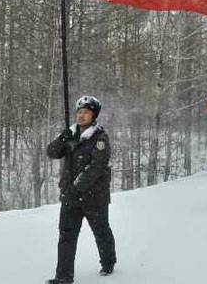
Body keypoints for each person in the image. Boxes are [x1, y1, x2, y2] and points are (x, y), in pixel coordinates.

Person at [46, 96, 117, 284]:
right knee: (66, 235)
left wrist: (76, 187)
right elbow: (52, 152)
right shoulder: (71, 135)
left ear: (93, 115)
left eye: (85, 112)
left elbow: (96, 167)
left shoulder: (100, 138)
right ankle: (63, 276)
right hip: (70, 197)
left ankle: (108, 262)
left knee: (101, 231)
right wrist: (62, 138)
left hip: (94, 197)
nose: (81, 115)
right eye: (79, 112)